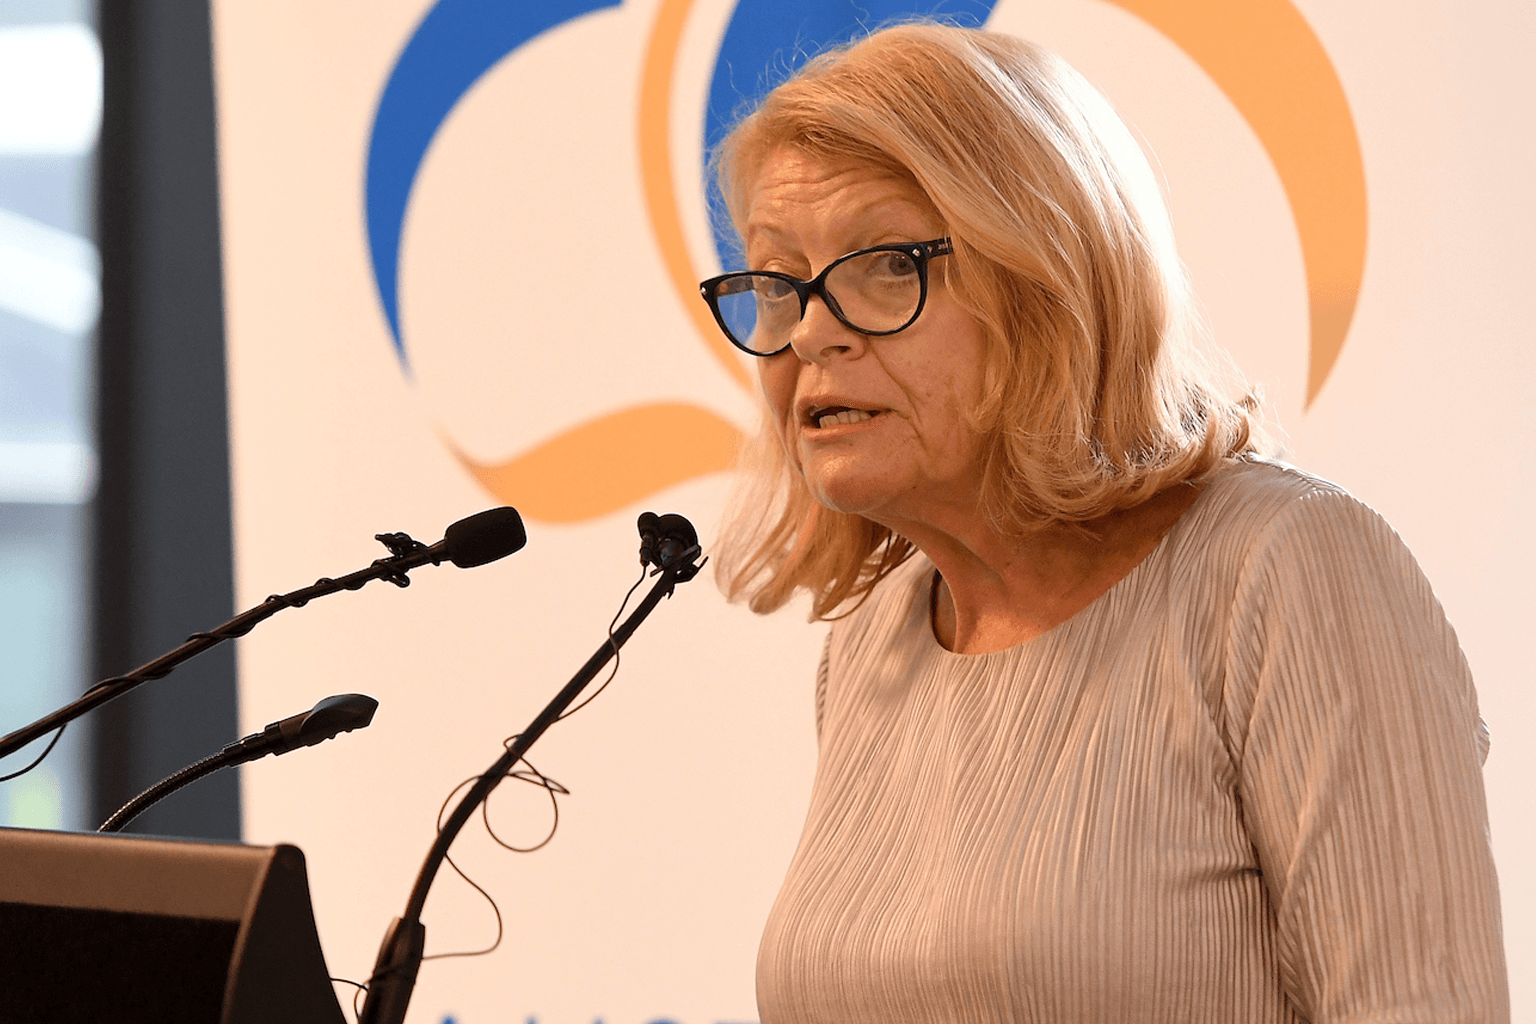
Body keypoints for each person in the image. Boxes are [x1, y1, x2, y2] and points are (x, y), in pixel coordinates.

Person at [697, 21, 1509, 1024]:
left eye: (884, 267)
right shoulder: (876, 644)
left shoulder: (1290, 572)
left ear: (1046, 283)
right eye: (779, 280)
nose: (812, 330)